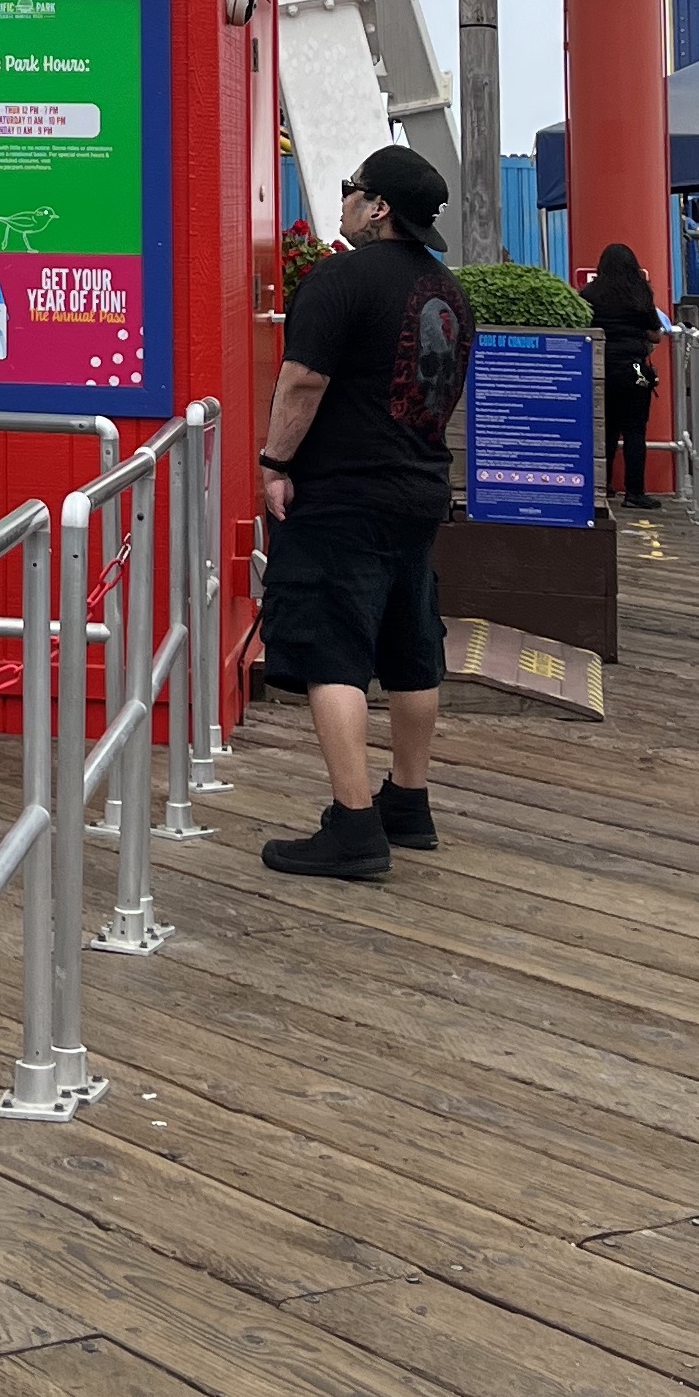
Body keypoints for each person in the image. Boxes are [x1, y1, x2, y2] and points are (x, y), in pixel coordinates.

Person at [254, 144, 471, 883]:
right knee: (412, 647)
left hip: (343, 494)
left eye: (353, 190)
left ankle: (353, 825)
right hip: (418, 490)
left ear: (377, 207)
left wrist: (275, 463)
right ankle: (408, 804)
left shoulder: (339, 278)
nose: (344, 199)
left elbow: (305, 381)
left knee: (333, 652)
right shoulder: (448, 291)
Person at [586, 240, 664, 501]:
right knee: (634, 430)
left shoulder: (590, 293)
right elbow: (655, 335)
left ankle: (602, 486)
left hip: (601, 366)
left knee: (604, 428)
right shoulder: (640, 292)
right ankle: (635, 492)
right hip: (634, 369)